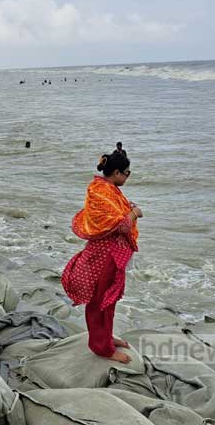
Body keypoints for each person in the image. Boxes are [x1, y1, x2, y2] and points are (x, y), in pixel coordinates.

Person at [61, 144, 142, 363]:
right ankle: (101, 347)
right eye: (127, 173)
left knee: (110, 299)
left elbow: (114, 214)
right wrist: (134, 213)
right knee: (100, 301)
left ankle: (106, 337)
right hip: (102, 256)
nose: (128, 177)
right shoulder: (100, 191)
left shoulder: (105, 189)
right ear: (116, 173)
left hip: (112, 254)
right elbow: (121, 225)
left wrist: (128, 209)